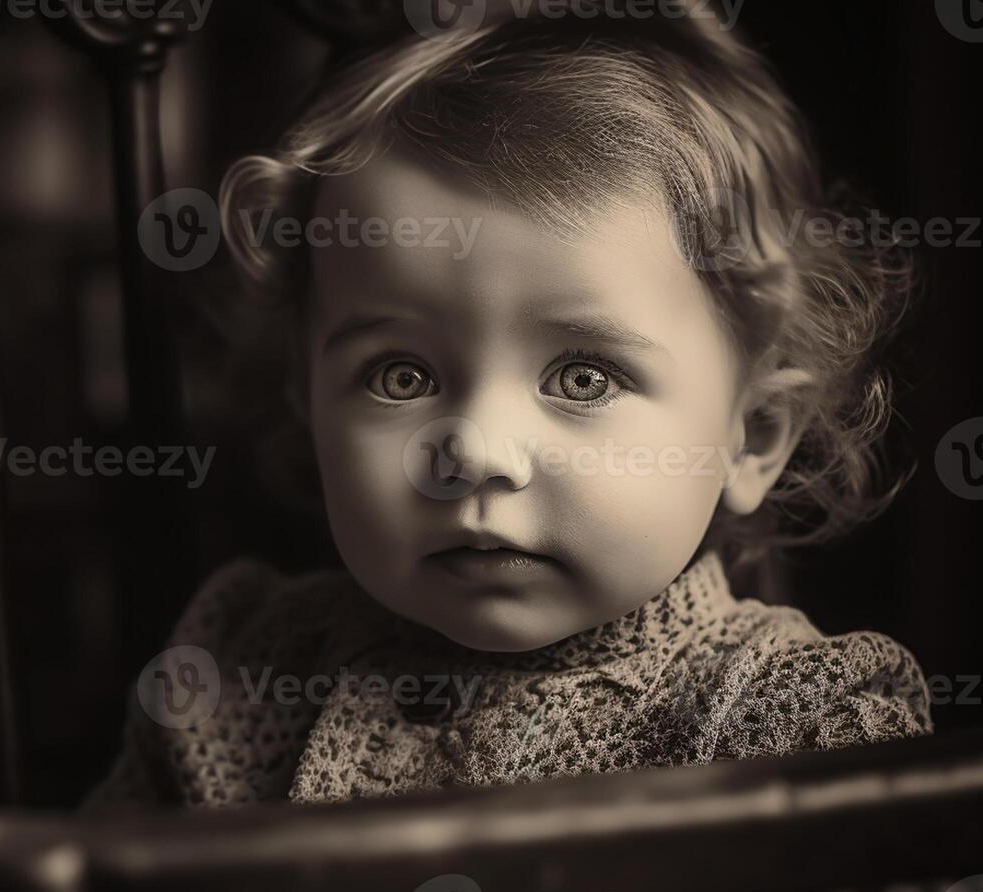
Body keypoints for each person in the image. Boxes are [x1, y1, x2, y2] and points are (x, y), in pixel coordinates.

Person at [85, 1, 931, 810]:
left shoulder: (789, 725)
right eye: (401, 377)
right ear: (309, 401)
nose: (477, 451)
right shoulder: (241, 676)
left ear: (751, 437)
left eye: (584, 378)